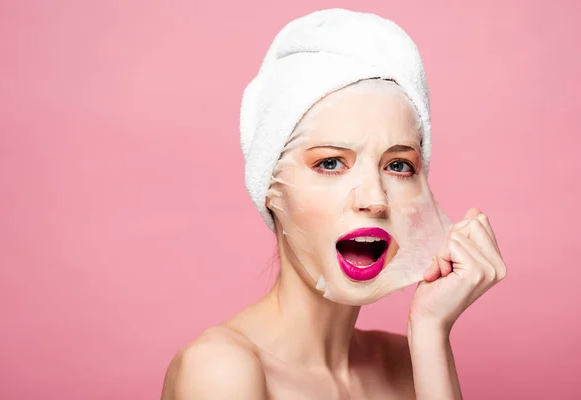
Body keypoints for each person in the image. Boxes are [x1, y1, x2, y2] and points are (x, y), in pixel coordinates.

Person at [161, 9, 506, 400]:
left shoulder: (407, 362)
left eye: (398, 165)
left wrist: (430, 330)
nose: (374, 200)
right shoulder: (221, 370)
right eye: (330, 163)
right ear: (270, 188)